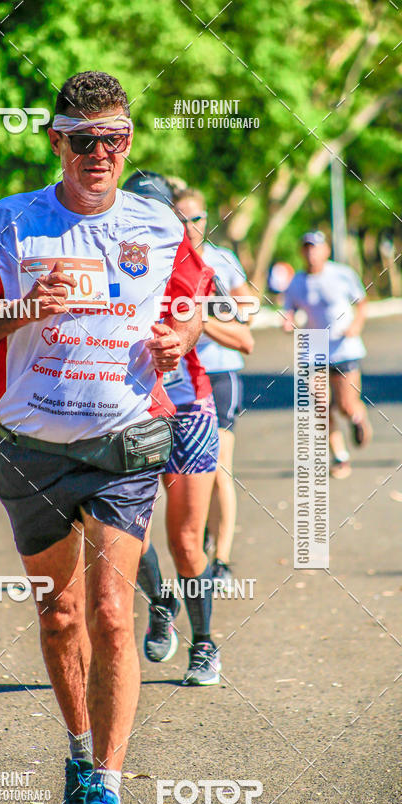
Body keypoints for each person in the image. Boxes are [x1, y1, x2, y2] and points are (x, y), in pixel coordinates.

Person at [0, 72, 205, 804]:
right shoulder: (9, 223)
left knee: (114, 614)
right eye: (82, 139)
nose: (99, 153)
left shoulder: (158, 225)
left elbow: (191, 297)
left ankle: (107, 794)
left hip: (126, 443)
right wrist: (22, 308)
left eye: (113, 138)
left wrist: (181, 339)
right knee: (59, 616)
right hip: (31, 449)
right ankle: (80, 754)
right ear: (55, 140)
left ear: (128, 142)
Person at [125, 173, 254, 685]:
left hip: (188, 409)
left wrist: (194, 323)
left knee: (183, 540)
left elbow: (243, 336)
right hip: (128, 413)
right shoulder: (110, 260)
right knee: (126, 533)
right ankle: (161, 604)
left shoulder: (194, 268)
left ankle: (204, 645)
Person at [173, 187, 255, 587]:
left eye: (196, 219)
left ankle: (221, 559)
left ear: (208, 220)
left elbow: (245, 320)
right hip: (177, 380)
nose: (190, 227)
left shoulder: (222, 262)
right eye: (181, 219)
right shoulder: (163, 260)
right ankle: (197, 542)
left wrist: (201, 317)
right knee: (185, 475)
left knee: (219, 469)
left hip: (220, 374)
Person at [282, 231, 372, 479]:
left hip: (345, 348)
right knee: (320, 405)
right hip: (315, 350)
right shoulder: (297, 282)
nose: (311, 252)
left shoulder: (341, 274)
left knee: (344, 405)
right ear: (302, 252)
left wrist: (356, 325)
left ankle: (356, 414)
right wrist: (288, 321)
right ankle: (340, 457)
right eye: (307, 247)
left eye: (316, 247)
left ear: (326, 250)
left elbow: (361, 302)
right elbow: (288, 309)